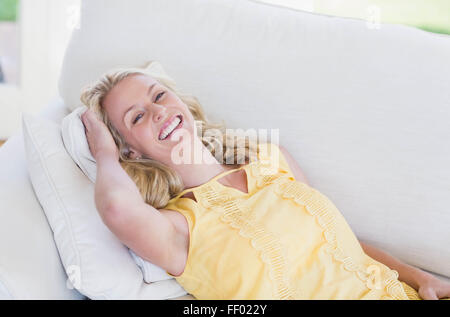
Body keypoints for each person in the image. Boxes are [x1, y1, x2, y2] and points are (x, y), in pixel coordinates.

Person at [79, 63, 450, 300]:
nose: (159, 110)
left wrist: (421, 278)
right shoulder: (178, 229)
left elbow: (344, 243)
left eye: (159, 95)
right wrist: (104, 153)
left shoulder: (271, 160)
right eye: (138, 116)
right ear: (129, 150)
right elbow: (116, 207)